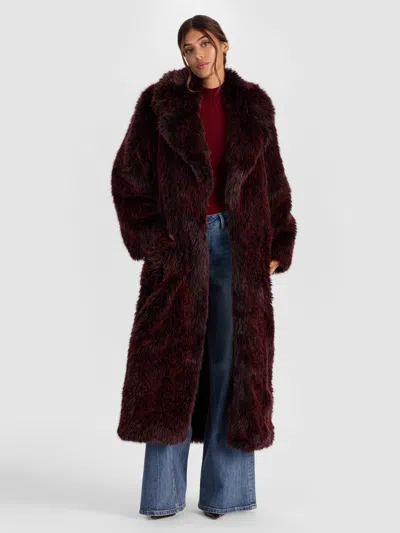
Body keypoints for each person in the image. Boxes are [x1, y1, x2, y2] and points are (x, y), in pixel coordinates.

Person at [111, 14, 297, 520]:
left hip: (240, 248)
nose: (197, 55)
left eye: (204, 44)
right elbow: (128, 178)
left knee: (231, 367)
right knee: (173, 368)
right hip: (182, 249)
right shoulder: (160, 105)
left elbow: (274, 182)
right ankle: (162, 498)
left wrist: (278, 240)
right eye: (188, 49)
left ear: (223, 45)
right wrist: (157, 242)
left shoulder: (253, 108)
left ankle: (225, 494)